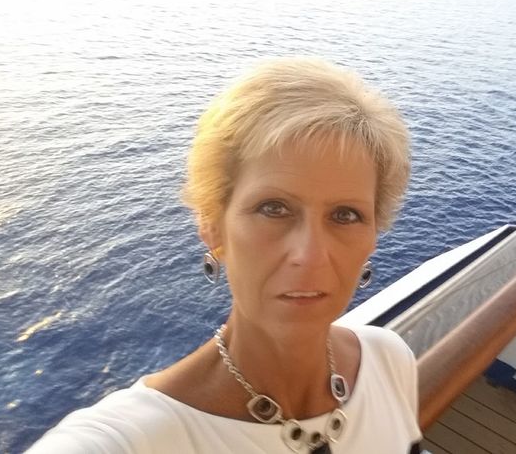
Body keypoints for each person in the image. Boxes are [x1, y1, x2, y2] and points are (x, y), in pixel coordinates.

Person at [27, 57, 422, 453]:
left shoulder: (389, 360)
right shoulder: (130, 440)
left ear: (374, 234)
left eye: (345, 215)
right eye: (274, 208)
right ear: (213, 225)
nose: (311, 256)